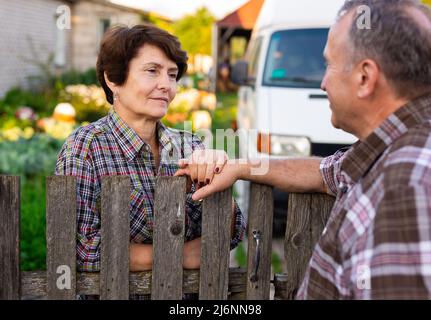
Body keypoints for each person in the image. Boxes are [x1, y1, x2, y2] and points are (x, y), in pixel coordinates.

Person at [175, 0, 431, 299]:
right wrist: (240, 167)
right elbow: (324, 173)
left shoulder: (405, 187)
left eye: (329, 65)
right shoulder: (393, 149)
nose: (322, 83)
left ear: (365, 78)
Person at [55, 24, 245, 296]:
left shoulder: (189, 145)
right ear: (113, 78)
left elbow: (230, 231)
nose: (165, 85)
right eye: (152, 71)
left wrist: (220, 173)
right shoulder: (85, 148)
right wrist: (182, 256)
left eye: (172, 74)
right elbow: (82, 250)